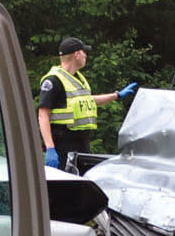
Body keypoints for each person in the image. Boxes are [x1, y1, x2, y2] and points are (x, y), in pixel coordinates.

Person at [36, 37, 139, 168]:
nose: (86, 55)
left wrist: (116, 95)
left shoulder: (78, 79)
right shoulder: (53, 80)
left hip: (81, 144)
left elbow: (88, 100)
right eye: (84, 52)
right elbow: (42, 115)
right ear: (76, 54)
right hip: (63, 146)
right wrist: (50, 148)